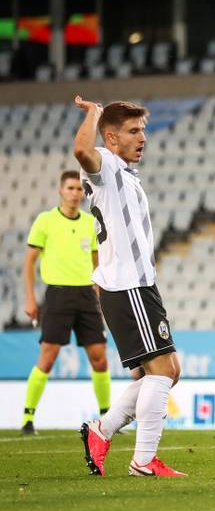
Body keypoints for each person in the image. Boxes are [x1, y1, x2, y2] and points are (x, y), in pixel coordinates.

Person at [73, 96, 186, 477]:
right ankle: (143, 460)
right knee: (160, 372)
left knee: (168, 369)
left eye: (144, 131)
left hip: (138, 286)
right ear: (111, 137)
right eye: (134, 131)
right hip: (127, 286)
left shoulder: (123, 173)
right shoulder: (105, 165)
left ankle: (101, 431)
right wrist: (93, 112)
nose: (143, 138)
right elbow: (81, 150)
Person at [20, 171, 110, 436]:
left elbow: (98, 266)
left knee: (100, 358)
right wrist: (30, 297)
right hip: (57, 295)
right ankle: (27, 418)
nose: (75, 193)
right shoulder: (45, 221)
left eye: (79, 189)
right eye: (70, 188)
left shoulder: (89, 223)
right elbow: (29, 262)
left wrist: (101, 299)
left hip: (86, 296)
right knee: (48, 358)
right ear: (61, 190)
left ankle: (106, 417)